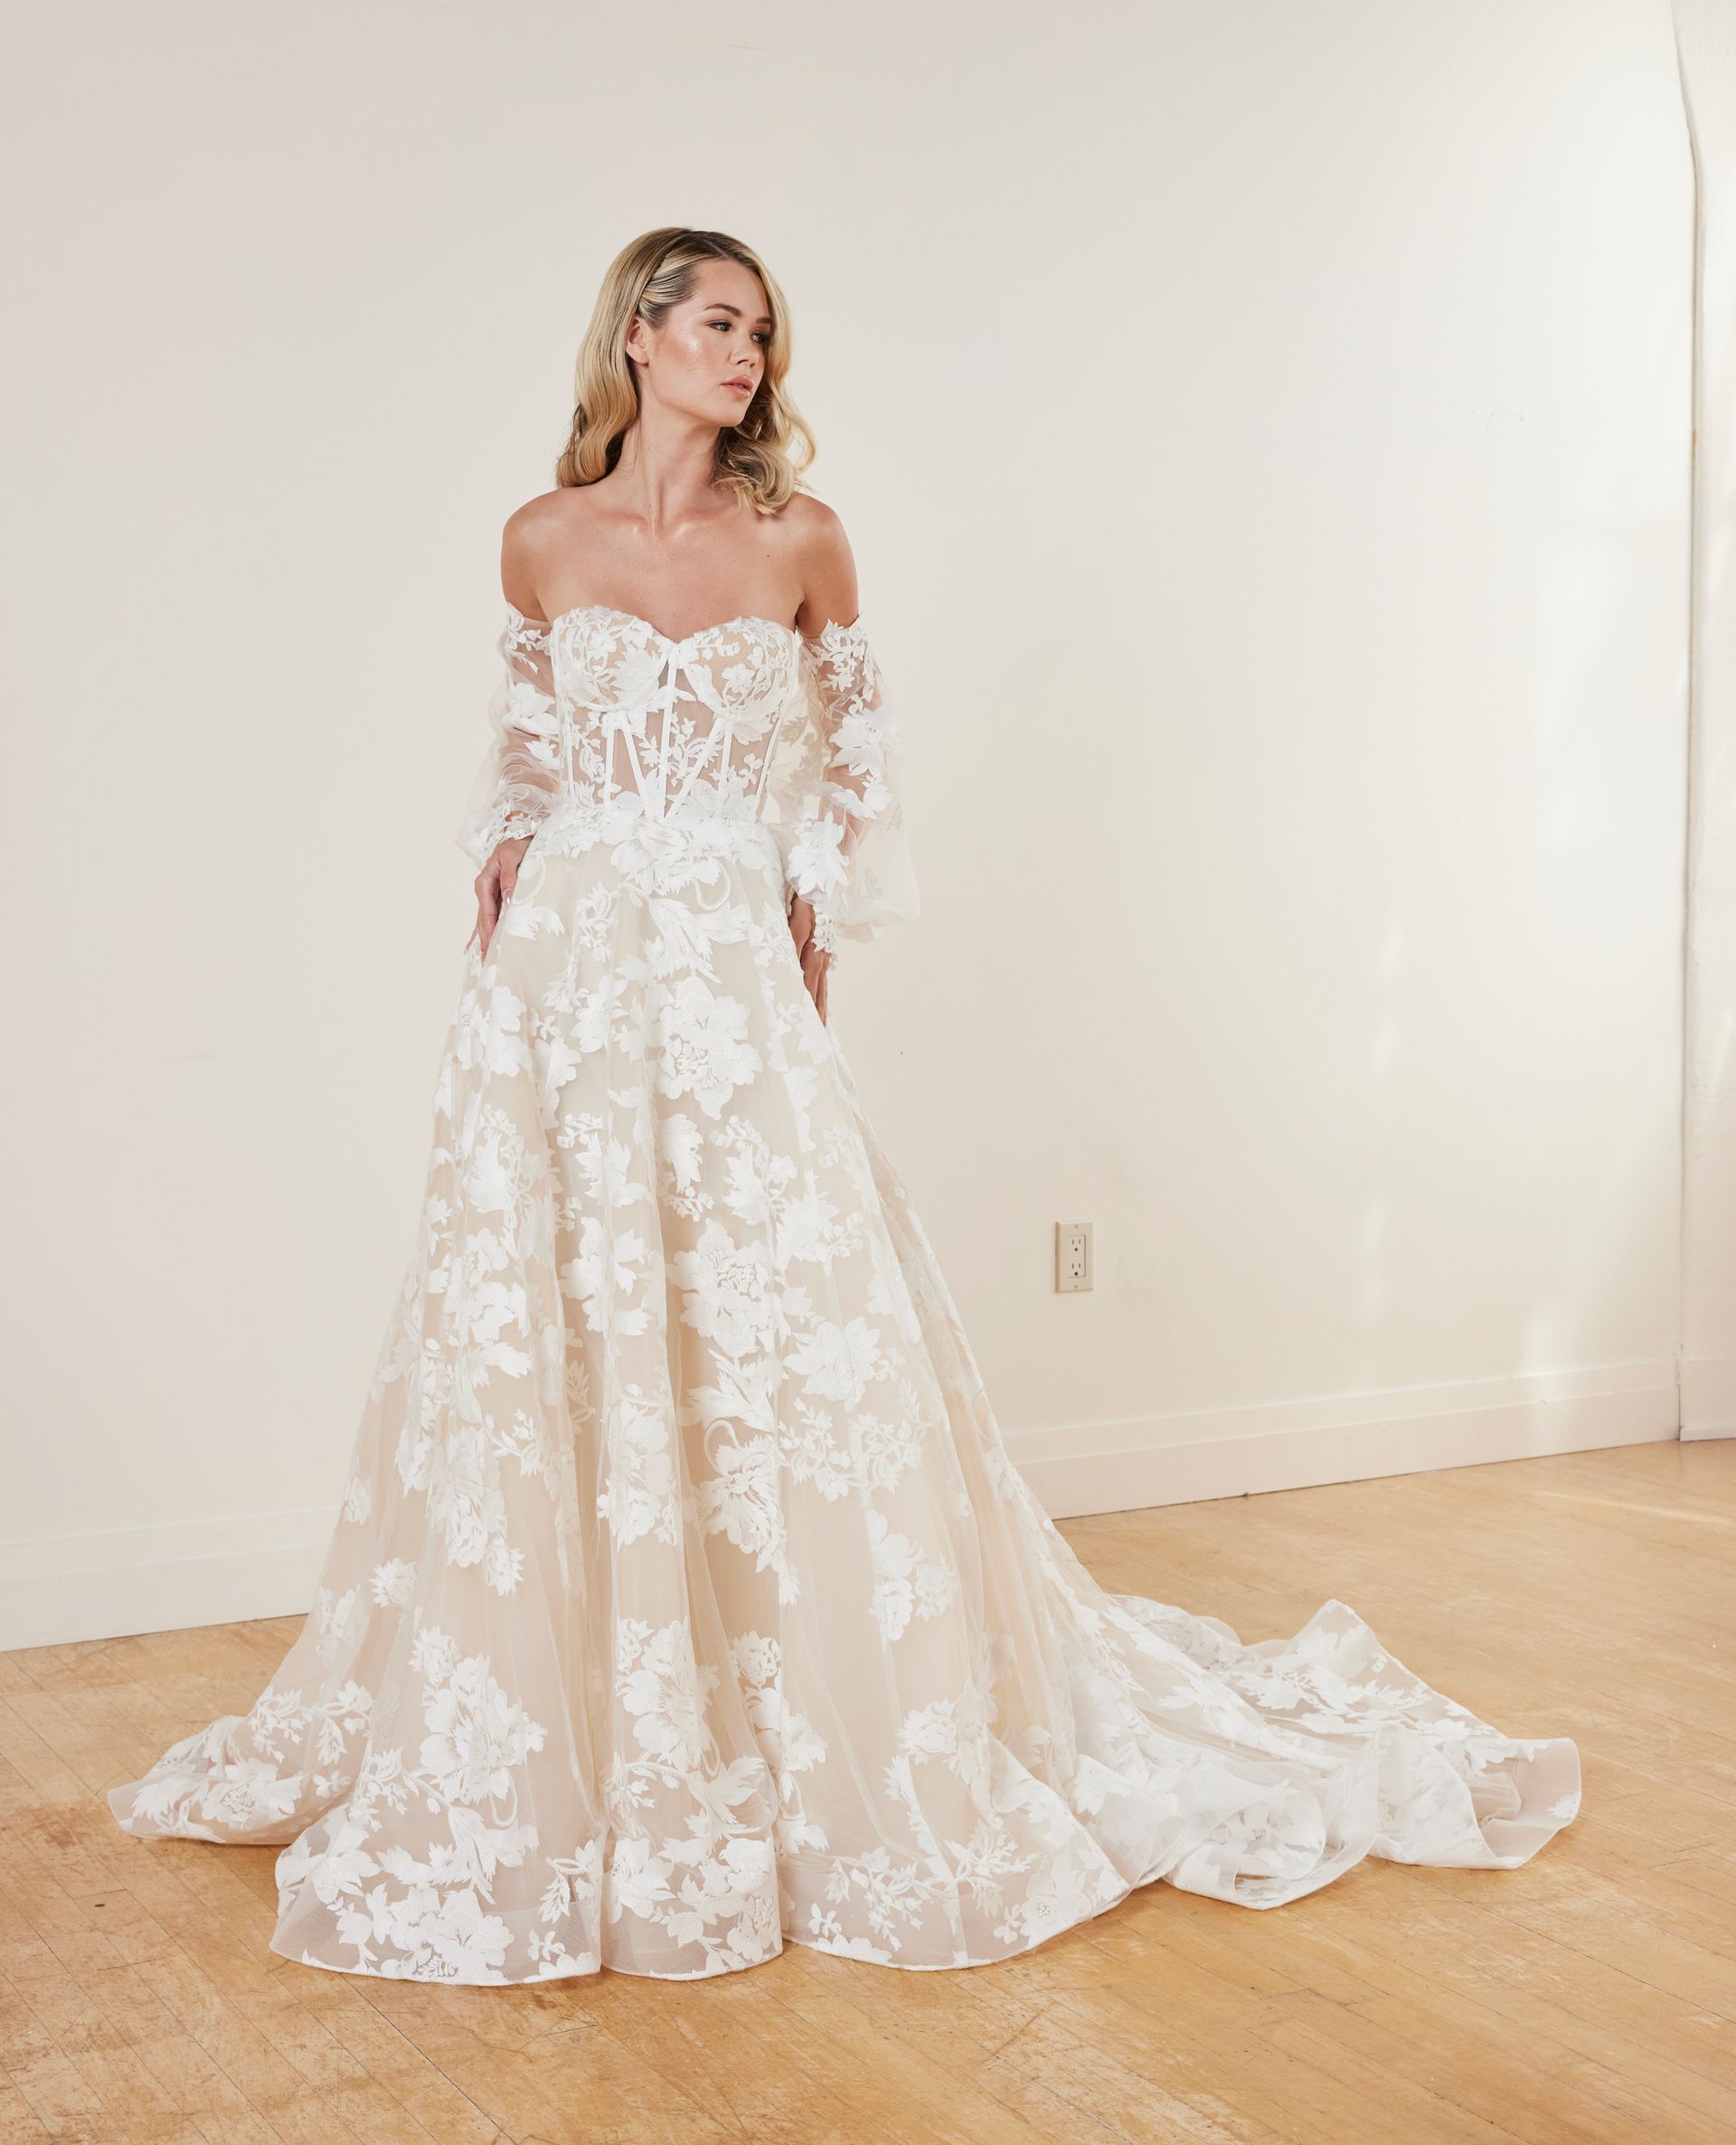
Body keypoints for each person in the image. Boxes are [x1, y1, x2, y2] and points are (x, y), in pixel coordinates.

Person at [107, 225, 1582, 1984]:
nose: (750, 357)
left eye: (763, 334)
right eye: (720, 324)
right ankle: (579, 1715)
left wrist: (808, 889)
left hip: (728, 967)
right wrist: (508, 850)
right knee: (563, 1319)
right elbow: (527, 738)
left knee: (784, 1316)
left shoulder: (802, 539)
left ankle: (804, 1700)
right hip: (568, 982)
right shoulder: (539, 538)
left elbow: (858, 756)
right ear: (639, 337)